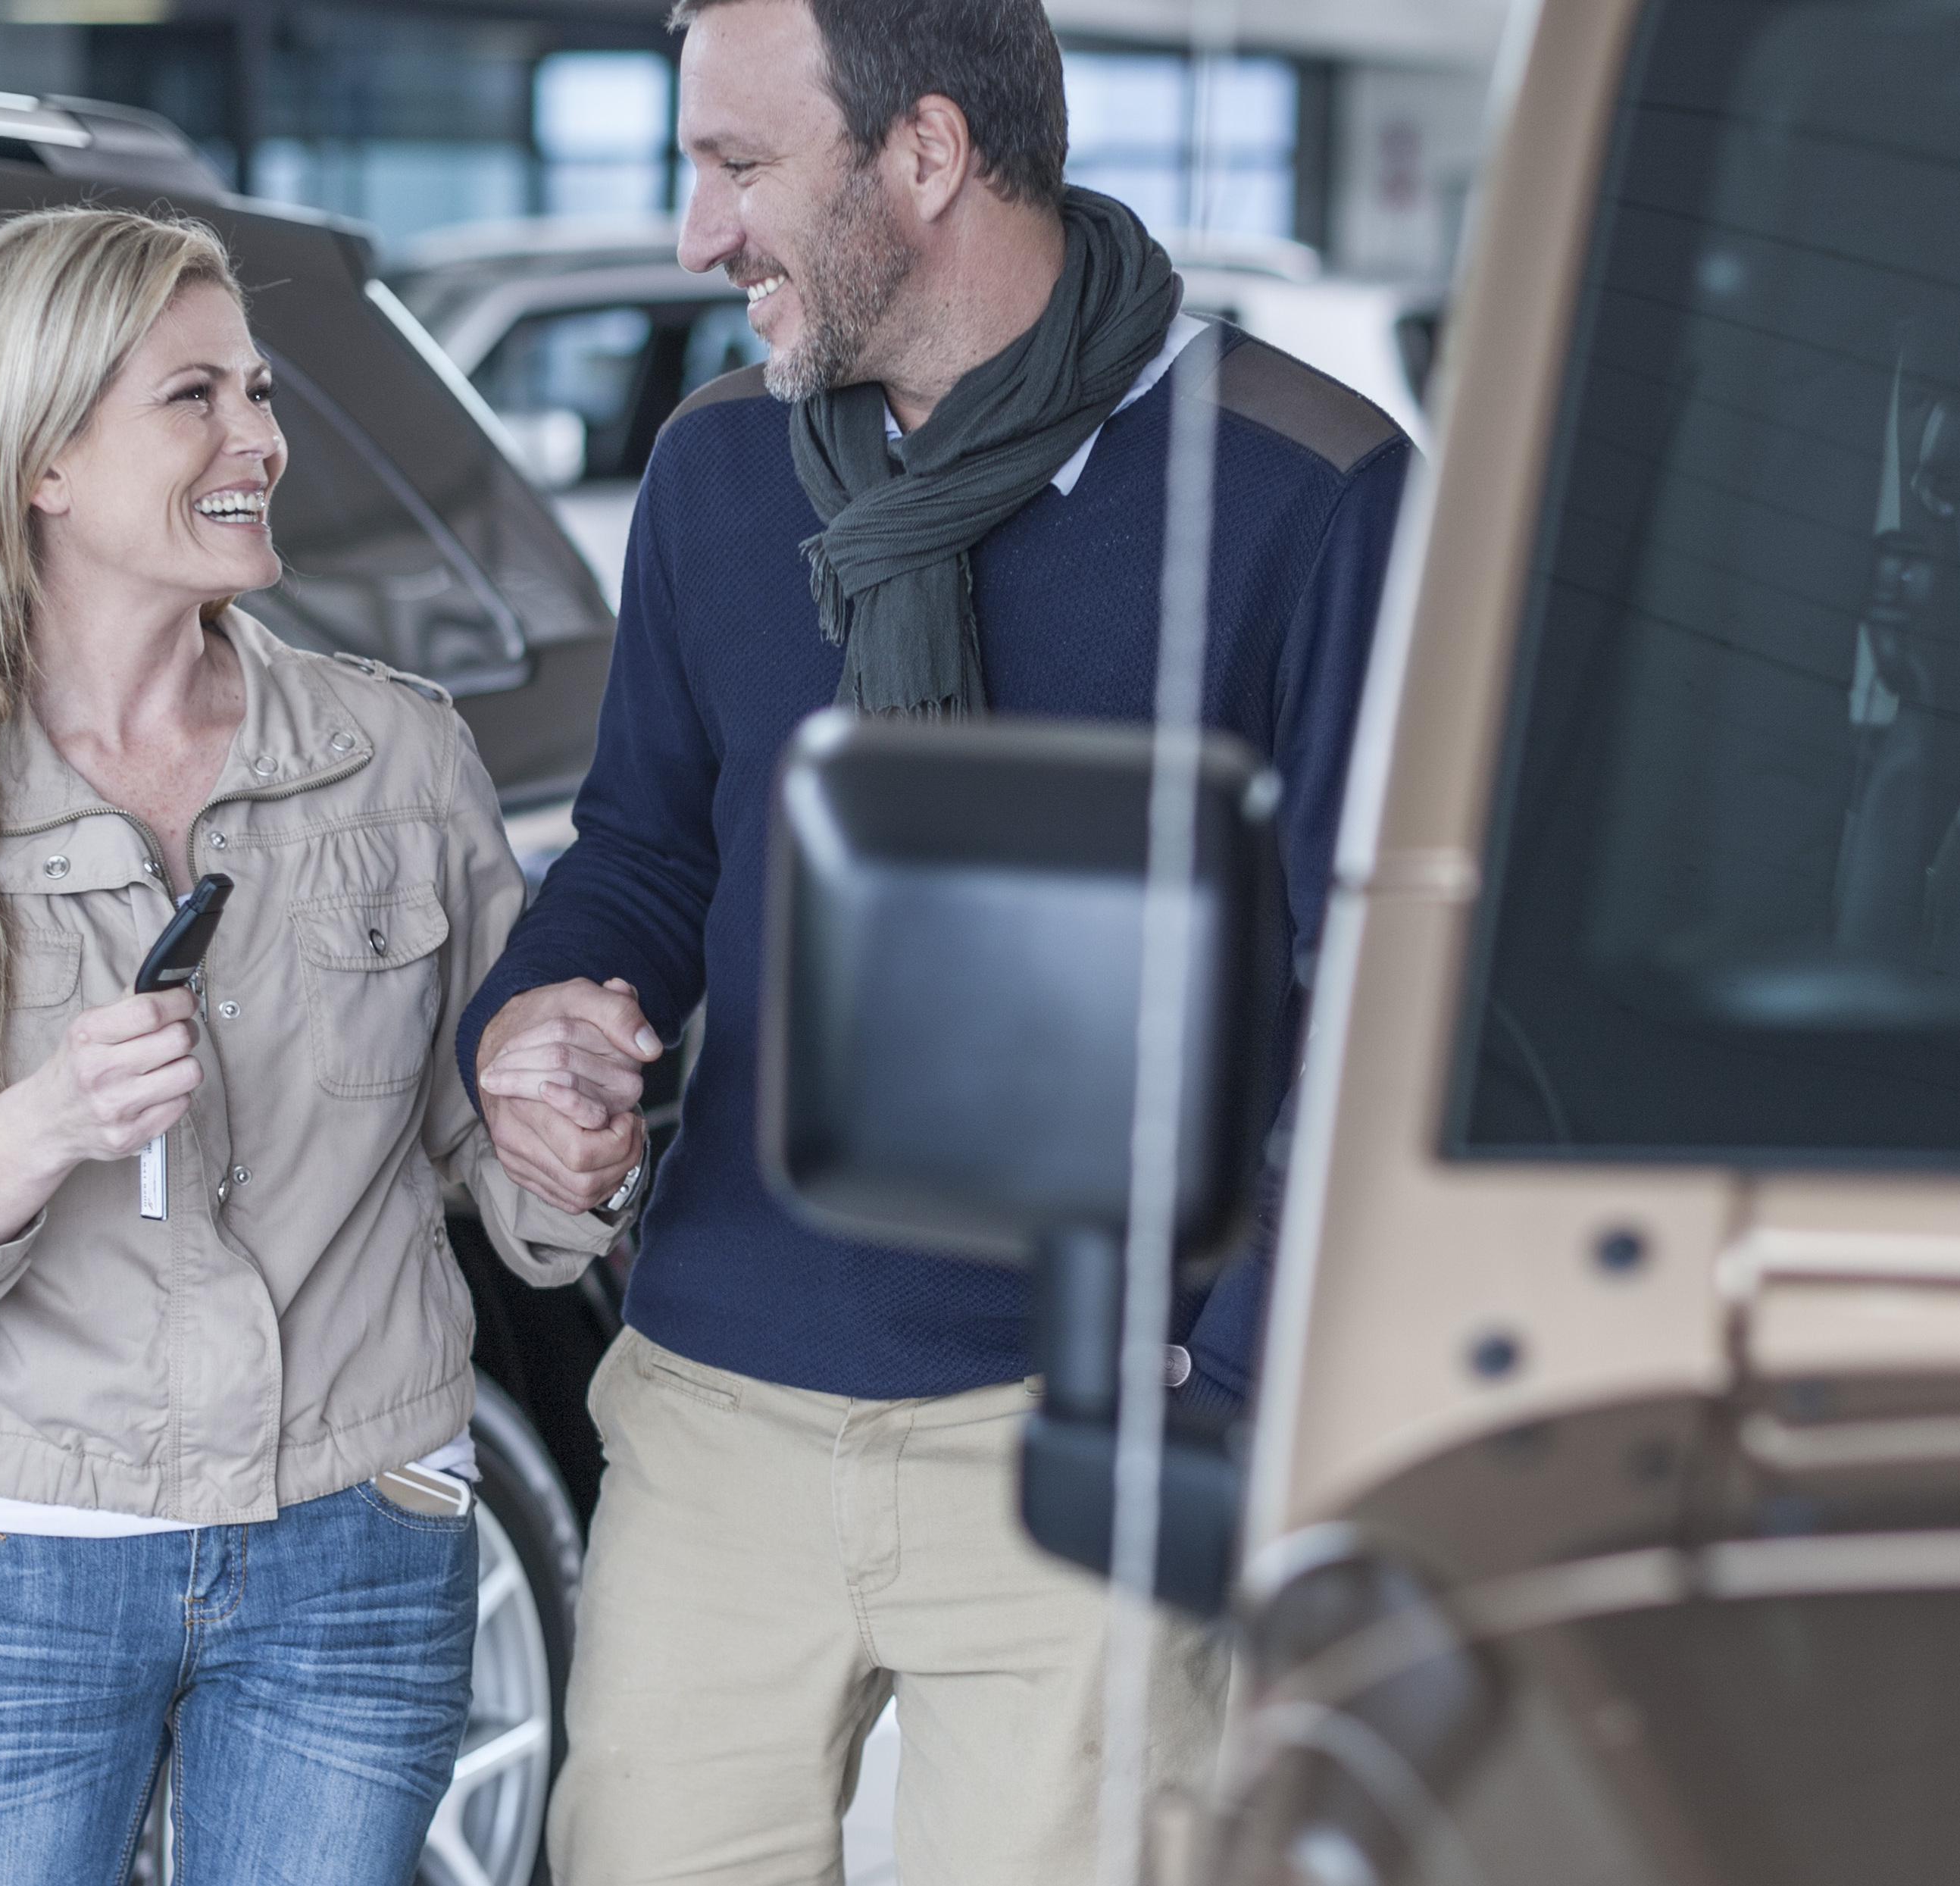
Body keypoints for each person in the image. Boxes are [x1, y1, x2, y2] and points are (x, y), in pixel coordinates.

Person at [458, 1, 1416, 1878]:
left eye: (738, 167)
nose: (693, 234)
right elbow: (649, 846)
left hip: (1087, 1431)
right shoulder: (718, 472)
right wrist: (547, 1023)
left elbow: (1369, 996)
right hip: (720, 1399)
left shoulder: (1304, 491)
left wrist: (1218, 1391)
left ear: (926, 154)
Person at [0, 205, 627, 1884]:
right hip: (11, 1560)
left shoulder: (396, 757)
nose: (262, 440)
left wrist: (571, 1124)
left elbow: (496, 1164)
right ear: (42, 464)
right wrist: (47, 1120)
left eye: (261, 390)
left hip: (358, 1535)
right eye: (194, 398)